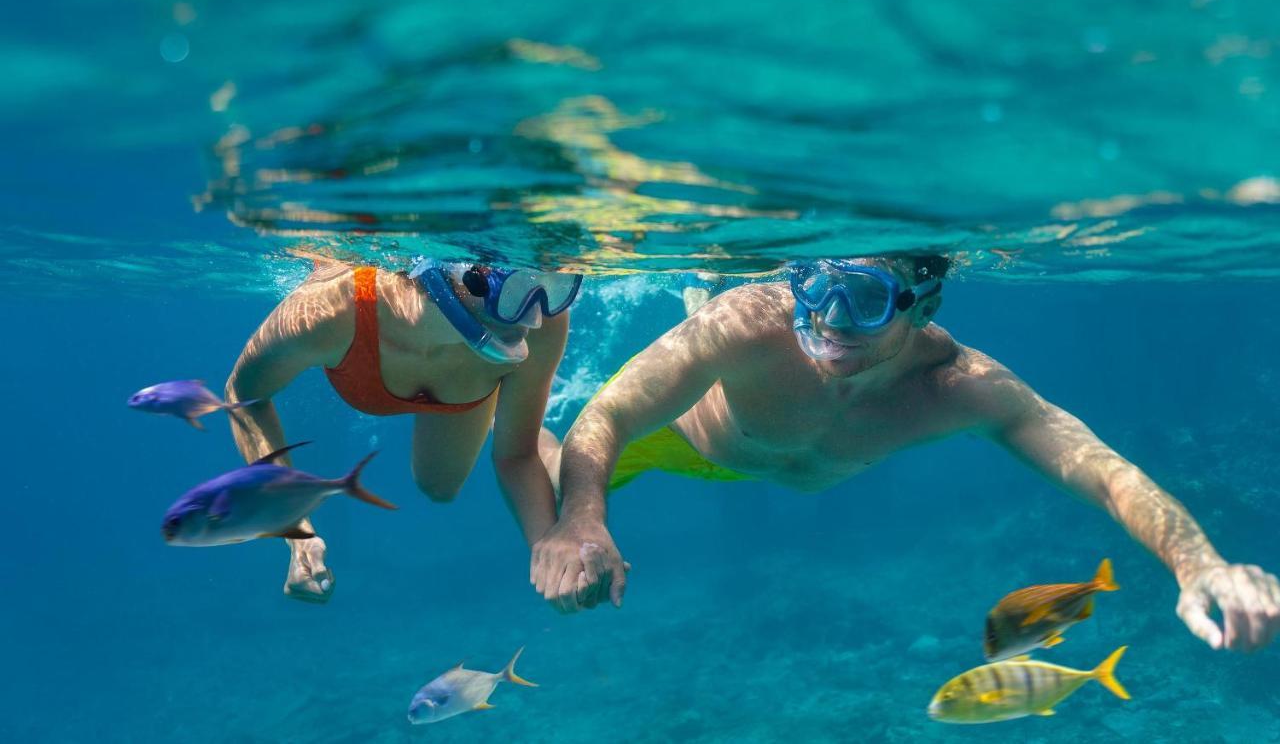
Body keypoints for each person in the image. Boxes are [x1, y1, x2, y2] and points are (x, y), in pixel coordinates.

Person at [530, 256, 1280, 652]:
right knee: (558, 476)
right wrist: (582, 521)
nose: (826, 322)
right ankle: (685, 295)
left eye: (860, 300)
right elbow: (614, 413)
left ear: (922, 304)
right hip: (688, 441)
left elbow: (1107, 472)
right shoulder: (751, 323)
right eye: (813, 288)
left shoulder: (961, 385)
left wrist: (1199, 562)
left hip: (767, 454)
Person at [227, 258, 579, 603]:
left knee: (439, 487)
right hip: (405, 354)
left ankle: (512, 421)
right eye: (513, 289)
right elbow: (243, 394)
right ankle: (494, 411)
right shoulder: (331, 310)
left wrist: (553, 547)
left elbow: (517, 456)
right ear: (460, 275)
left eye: (554, 286)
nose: (533, 318)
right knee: (438, 485)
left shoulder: (542, 317)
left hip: (464, 389)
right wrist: (296, 533)